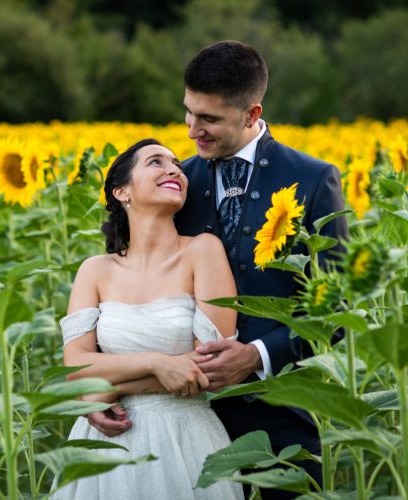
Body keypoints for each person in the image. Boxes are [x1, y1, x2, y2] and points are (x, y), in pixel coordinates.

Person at [86, 41, 349, 498]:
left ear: (251, 114)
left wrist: (259, 354)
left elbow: (334, 309)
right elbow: (132, 291)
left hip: (279, 417)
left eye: (208, 119)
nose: (192, 131)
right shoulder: (175, 182)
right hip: (179, 416)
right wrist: (100, 389)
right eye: (189, 112)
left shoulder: (311, 179)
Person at [53, 139, 244, 499]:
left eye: (177, 165)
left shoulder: (203, 250)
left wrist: (110, 386)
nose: (174, 170)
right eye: (156, 162)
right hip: (103, 447)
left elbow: (212, 364)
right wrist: (157, 363)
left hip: (185, 438)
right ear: (121, 190)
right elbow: (75, 367)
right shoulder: (94, 270)